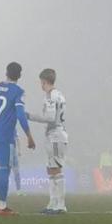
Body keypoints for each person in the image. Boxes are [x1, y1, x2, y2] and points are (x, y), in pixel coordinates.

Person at [0, 61, 37, 216]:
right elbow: (20, 114)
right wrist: (29, 136)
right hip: (4, 135)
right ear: (19, 76)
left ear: (6, 72)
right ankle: (2, 206)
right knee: (4, 169)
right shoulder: (18, 91)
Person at [26, 68, 68, 214]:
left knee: (56, 168)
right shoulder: (59, 94)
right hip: (54, 133)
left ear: (44, 81)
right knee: (50, 168)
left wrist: (30, 116)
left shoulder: (51, 95)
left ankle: (60, 204)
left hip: (56, 134)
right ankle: (52, 202)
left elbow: (50, 117)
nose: (40, 85)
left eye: (41, 82)